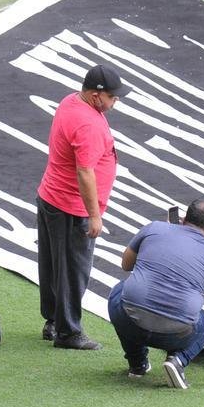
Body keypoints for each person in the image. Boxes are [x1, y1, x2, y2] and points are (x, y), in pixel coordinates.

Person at [107, 197, 204, 388]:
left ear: (184, 219)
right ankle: (178, 360)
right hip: (175, 334)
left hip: (129, 321)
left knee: (120, 291)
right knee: (202, 322)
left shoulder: (154, 228)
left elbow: (126, 264)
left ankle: (137, 364)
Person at [36, 64, 130, 350]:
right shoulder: (88, 124)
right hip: (71, 207)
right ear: (95, 95)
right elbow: (85, 171)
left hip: (51, 197)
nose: (115, 101)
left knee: (53, 265)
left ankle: (53, 322)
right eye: (112, 96)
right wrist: (94, 215)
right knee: (73, 271)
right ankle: (68, 333)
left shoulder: (70, 101)